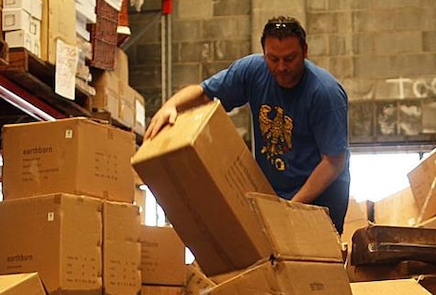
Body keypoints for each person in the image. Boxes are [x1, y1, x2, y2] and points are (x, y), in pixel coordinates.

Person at [145, 15, 351, 233]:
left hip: (322, 195)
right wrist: (171, 105)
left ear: (305, 51)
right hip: (275, 191)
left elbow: (334, 161)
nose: (281, 67)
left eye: (290, 59)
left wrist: (293, 206)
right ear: (264, 54)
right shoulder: (253, 71)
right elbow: (205, 93)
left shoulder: (324, 93)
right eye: (273, 59)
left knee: (312, 260)